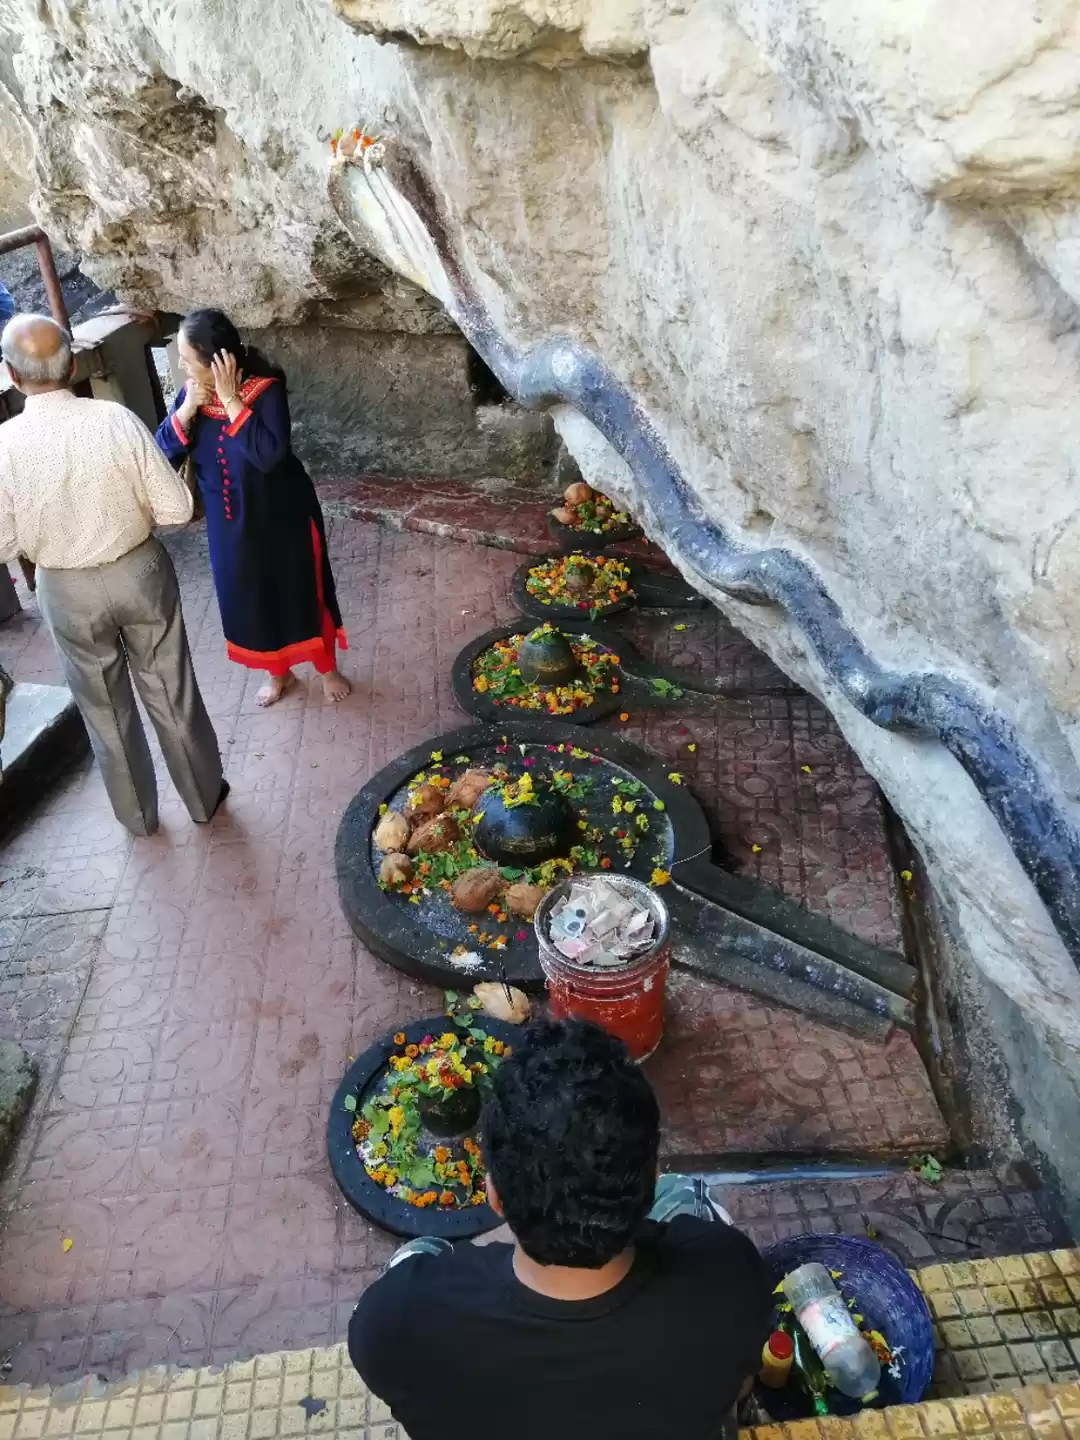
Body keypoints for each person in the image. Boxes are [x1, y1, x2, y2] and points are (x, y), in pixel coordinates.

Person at [348, 1018, 772, 1440]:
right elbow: (741, 1383)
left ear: (495, 1196)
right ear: (650, 1178)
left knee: (418, 1251)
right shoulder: (727, 1271)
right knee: (689, 1194)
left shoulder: (397, 1319)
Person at [0, 313, 226, 836]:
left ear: (12, 376)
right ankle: (204, 799)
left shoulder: (5, 445)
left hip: (64, 588)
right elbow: (175, 509)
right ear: (74, 363)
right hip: (139, 572)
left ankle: (139, 818)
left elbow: (5, 542)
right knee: (172, 691)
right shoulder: (114, 419)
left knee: (104, 710)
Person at [154, 310, 350, 707]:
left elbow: (269, 456)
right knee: (249, 597)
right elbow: (160, 453)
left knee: (299, 592)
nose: (181, 367)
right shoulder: (189, 395)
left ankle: (327, 668)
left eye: (187, 359)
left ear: (217, 361)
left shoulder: (266, 391)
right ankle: (279, 673)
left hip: (284, 520)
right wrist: (187, 410)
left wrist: (229, 399)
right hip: (229, 527)